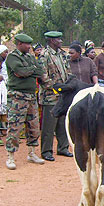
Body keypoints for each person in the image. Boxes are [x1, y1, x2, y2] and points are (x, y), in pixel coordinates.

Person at [5, 33, 45, 169]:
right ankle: (10, 156)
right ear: (19, 44)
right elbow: (19, 72)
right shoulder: (12, 57)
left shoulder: (29, 57)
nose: (29, 47)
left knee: (33, 125)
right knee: (15, 126)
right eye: (27, 44)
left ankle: (32, 153)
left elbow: (40, 71)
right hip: (17, 96)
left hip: (31, 96)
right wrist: (31, 70)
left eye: (30, 44)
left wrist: (30, 70)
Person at [39, 31, 72, 161]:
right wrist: (57, 88)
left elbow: (68, 72)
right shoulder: (44, 55)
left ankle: (63, 148)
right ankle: (46, 151)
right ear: (52, 41)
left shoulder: (63, 54)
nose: (61, 41)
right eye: (58, 39)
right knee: (49, 125)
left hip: (63, 96)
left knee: (63, 123)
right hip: (50, 95)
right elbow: (43, 78)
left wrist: (68, 86)